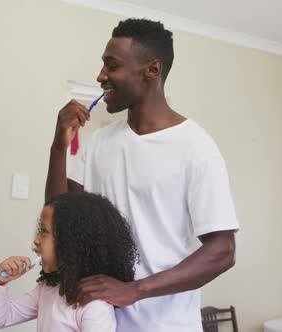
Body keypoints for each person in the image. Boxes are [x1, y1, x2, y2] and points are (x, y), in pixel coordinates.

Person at [45, 18, 239, 332]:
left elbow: (223, 251)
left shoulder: (195, 146)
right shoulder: (100, 143)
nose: (101, 76)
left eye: (112, 66)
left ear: (151, 70)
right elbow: (59, 221)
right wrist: (58, 147)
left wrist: (136, 290)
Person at [0, 192, 139, 331]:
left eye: (44, 231)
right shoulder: (47, 289)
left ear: (71, 243)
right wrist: (2, 282)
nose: (36, 240)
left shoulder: (94, 305)